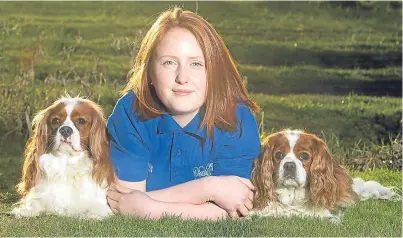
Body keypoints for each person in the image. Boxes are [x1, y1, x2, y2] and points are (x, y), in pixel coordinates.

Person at [106, 7, 261, 221]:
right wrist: (209, 188)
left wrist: (151, 210)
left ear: (214, 72)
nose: (182, 77)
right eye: (169, 62)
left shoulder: (236, 120)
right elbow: (124, 199)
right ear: (149, 70)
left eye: (196, 64)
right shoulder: (130, 112)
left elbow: (233, 209)